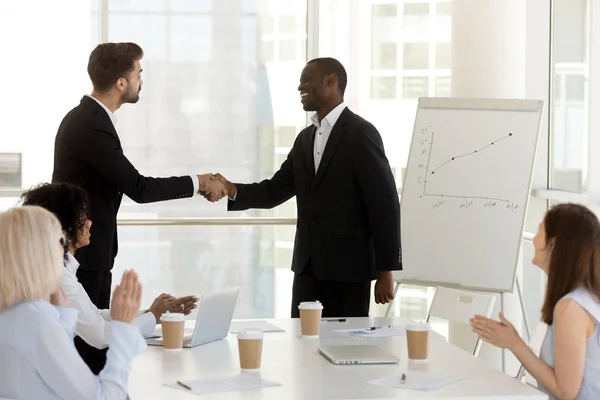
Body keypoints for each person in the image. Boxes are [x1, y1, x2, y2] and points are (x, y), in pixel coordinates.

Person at [52, 42, 223, 370]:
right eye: (138, 73)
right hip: (83, 257)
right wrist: (198, 182)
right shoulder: (89, 124)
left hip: (91, 254)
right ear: (121, 82)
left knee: (96, 347)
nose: (141, 81)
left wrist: (149, 314)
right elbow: (139, 188)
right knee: (89, 354)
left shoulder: (92, 119)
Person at [212, 58, 401, 318]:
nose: (300, 86)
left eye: (307, 79)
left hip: (348, 272)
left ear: (331, 81)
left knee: (343, 346)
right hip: (306, 269)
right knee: (300, 345)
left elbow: (385, 206)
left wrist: (385, 272)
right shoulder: (305, 138)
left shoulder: (361, 133)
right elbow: (274, 191)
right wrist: (230, 189)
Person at [20, 182, 198, 359]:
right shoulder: (57, 276)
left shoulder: (58, 268)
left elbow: (95, 316)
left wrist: (153, 313)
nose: (89, 222)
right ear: (63, 224)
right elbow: (102, 335)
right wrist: (154, 315)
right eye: (81, 216)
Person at [0, 206, 145, 399]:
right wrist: (123, 327)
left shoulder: (12, 313)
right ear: (39, 253)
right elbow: (106, 396)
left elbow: (46, 375)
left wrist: (64, 319)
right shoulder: (40, 325)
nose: (64, 250)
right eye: (59, 241)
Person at [471, 203, 600, 400]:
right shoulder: (584, 296)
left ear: (553, 245)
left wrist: (513, 342)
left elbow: (566, 392)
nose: (533, 239)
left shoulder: (571, 308)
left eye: (539, 230)